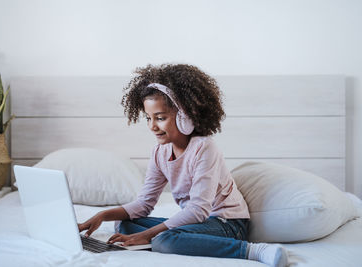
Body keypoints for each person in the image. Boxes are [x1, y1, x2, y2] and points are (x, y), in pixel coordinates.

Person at [78, 64, 287, 267]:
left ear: (184, 116)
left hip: (226, 223)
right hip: (197, 222)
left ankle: (253, 250)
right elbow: (143, 205)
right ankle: (172, 239)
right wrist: (102, 215)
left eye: (160, 118)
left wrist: (151, 234)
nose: (152, 126)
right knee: (124, 224)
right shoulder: (159, 152)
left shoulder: (204, 148)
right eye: (148, 118)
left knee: (163, 240)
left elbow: (198, 210)